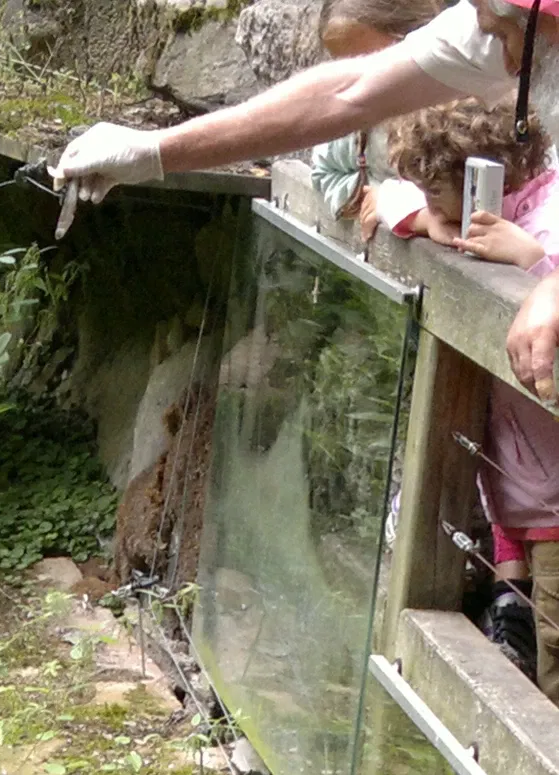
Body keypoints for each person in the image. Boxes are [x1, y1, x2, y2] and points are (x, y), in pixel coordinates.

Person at [52, 0, 559, 401]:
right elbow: (350, 92)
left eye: (503, 33)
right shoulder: (500, 23)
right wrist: (157, 152)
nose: (506, 61)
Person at [385, 98, 559, 690]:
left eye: (436, 193)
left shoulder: (542, 224)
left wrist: (532, 265)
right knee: (527, 620)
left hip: (551, 492)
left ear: (483, 182)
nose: (429, 203)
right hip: (516, 481)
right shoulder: (473, 218)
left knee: (555, 645)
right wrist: (424, 218)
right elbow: (386, 197)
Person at [310, 0, 443, 239]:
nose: (363, 83)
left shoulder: (461, 114)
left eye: (376, 61)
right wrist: (373, 194)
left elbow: (479, 196)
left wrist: (398, 203)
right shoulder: (354, 125)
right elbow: (324, 172)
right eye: (346, 68)